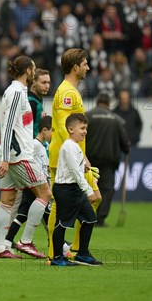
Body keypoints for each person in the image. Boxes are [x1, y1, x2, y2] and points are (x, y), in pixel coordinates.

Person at [0, 56, 51, 259]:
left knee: (7, 200)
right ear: (28, 71)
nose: (34, 72)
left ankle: (0, 247)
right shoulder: (17, 92)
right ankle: (25, 241)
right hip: (19, 156)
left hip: (14, 155)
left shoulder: (16, 91)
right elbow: (8, 126)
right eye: (33, 69)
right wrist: (5, 158)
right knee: (44, 194)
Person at [46, 48, 101, 261]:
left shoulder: (71, 91)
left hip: (73, 159)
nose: (88, 67)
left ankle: (77, 250)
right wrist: (78, 155)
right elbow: (62, 126)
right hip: (65, 160)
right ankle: (55, 252)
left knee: (95, 197)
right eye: (85, 64)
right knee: (59, 205)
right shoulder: (67, 92)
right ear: (75, 67)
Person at [50, 113, 103, 266]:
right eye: (82, 128)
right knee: (62, 224)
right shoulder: (69, 146)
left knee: (89, 219)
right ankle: (57, 258)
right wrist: (89, 190)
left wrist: (84, 167)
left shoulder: (75, 146)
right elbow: (75, 173)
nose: (85, 131)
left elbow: (76, 170)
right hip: (66, 190)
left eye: (86, 128)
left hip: (75, 189)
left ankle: (83, 254)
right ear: (70, 129)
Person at [4, 115, 53, 258]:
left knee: (23, 214)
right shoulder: (34, 144)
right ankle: (56, 244)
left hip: (36, 183)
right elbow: (26, 162)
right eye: (52, 130)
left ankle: (7, 241)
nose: (53, 134)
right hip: (33, 185)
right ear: (44, 130)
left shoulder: (44, 147)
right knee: (47, 214)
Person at [85, 93, 130, 227]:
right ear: (109, 103)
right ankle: (100, 219)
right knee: (106, 189)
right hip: (108, 161)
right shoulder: (116, 119)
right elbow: (124, 141)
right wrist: (127, 149)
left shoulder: (87, 116)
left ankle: (86, 217)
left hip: (89, 160)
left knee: (88, 187)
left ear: (97, 102)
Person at [28, 69, 51, 138]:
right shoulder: (30, 103)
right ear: (34, 82)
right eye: (43, 83)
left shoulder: (38, 101)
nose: (47, 86)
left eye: (48, 83)